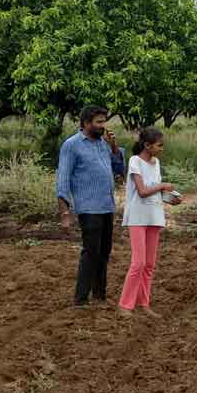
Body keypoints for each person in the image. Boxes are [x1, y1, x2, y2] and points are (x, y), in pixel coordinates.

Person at [56, 105, 126, 308]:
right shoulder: (72, 145)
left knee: (104, 251)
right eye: (99, 122)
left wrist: (114, 147)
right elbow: (63, 179)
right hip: (88, 207)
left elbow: (119, 169)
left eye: (104, 121)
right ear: (86, 123)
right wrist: (65, 212)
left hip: (106, 206)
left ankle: (100, 295)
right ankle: (81, 299)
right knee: (91, 251)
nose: (103, 126)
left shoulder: (104, 144)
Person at [119, 127, 181, 317]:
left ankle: (143, 303)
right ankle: (125, 305)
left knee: (149, 264)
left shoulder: (156, 163)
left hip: (154, 215)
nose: (161, 148)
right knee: (138, 262)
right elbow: (143, 191)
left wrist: (169, 197)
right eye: (159, 145)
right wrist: (162, 186)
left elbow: (154, 192)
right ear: (147, 145)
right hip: (138, 215)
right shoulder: (135, 161)